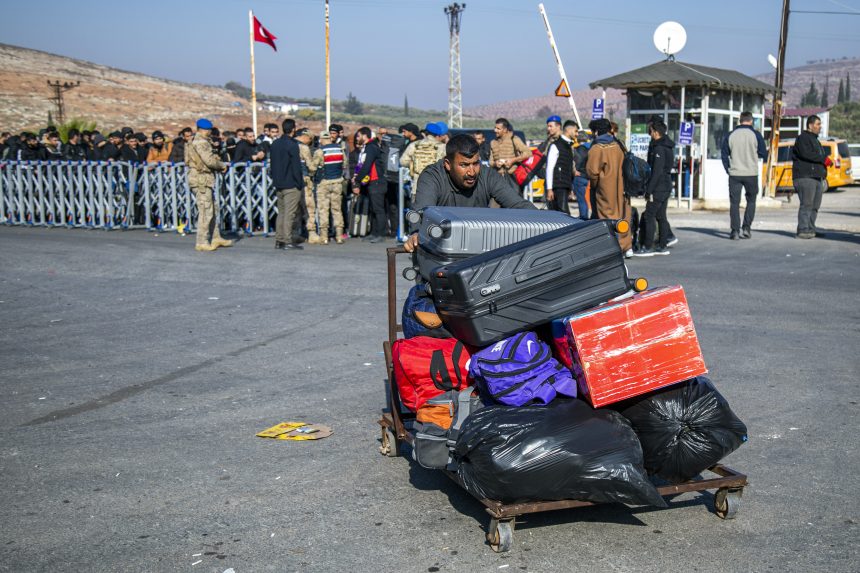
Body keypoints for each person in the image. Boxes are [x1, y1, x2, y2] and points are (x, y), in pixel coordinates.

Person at [404, 134, 537, 253]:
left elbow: (518, 204)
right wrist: (415, 233)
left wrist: (546, 220)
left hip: (478, 249)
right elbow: (423, 211)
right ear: (448, 164)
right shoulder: (432, 176)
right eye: (464, 165)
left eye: (475, 164)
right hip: (440, 248)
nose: (472, 172)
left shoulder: (488, 175)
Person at [585, 118, 633, 256]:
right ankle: (626, 246)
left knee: (607, 218)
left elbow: (592, 171)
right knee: (623, 216)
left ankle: (612, 248)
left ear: (595, 131)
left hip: (605, 189)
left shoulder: (597, 148)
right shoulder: (619, 145)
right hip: (623, 187)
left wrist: (594, 185)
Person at [184, 119, 232, 251]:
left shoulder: (195, 140)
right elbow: (209, 161)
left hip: (202, 178)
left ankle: (216, 237)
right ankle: (202, 241)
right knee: (206, 211)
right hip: (201, 179)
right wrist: (222, 165)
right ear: (205, 130)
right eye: (209, 130)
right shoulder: (201, 142)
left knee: (212, 209)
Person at [721, 111, 768, 240]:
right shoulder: (756, 135)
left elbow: (724, 154)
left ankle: (735, 231)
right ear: (751, 121)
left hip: (735, 174)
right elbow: (764, 153)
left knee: (734, 203)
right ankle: (746, 228)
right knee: (751, 201)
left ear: (740, 120)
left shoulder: (731, 135)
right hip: (751, 173)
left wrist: (728, 169)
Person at [633, 120, 675, 257]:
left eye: (650, 131)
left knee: (649, 215)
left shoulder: (659, 149)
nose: (649, 134)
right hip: (666, 185)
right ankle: (662, 245)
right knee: (661, 215)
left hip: (659, 187)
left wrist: (649, 190)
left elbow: (656, 172)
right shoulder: (668, 146)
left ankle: (647, 246)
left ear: (656, 133)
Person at [792, 115, 828, 239]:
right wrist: (824, 159)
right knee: (806, 204)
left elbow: (818, 157)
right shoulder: (802, 138)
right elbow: (806, 154)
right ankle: (802, 229)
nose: (820, 127)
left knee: (815, 206)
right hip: (805, 177)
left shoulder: (816, 140)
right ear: (810, 125)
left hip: (817, 178)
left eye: (820, 124)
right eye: (818, 124)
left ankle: (811, 228)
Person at [270, 118, 305, 250]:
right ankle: (287, 240)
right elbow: (296, 166)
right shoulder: (292, 145)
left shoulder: (275, 144)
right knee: (290, 214)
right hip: (291, 183)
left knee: (282, 213)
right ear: (293, 129)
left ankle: (279, 240)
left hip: (279, 183)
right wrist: (299, 183)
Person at [352, 126, 387, 243]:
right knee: (373, 209)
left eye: (358, 136)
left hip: (377, 182)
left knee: (378, 209)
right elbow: (361, 164)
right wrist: (356, 177)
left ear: (365, 136)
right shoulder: (366, 147)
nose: (357, 138)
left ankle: (381, 234)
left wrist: (357, 180)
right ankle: (373, 232)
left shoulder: (371, 147)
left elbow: (366, 165)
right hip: (370, 182)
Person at [313, 131, 348, 244]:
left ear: (322, 139)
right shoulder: (340, 149)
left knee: (324, 210)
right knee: (337, 210)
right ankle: (339, 235)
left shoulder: (320, 151)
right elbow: (344, 164)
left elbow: (313, 167)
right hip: (337, 182)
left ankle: (324, 237)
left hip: (324, 183)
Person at [401, 122, 444, 195]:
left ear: (425, 133)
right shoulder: (442, 147)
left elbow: (403, 161)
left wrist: (413, 164)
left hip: (417, 188)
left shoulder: (414, 145)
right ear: (437, 135)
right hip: (436, 188)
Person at [295, 127, 322, 244]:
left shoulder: (289, 145)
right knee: (309, 207)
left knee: (294, 209)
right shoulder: (303, 147)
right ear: (306, 137)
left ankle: (295, 233)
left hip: (291, 181)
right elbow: (311, 167)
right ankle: (312, 233)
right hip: (305, 181)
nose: (310, 142)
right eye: (310, 140)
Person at [488, 117, 531, 186]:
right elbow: (490, 162)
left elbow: (528, 153)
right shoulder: (493, 142)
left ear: (505, 130)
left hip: (512, 178)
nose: (495, 130)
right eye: (495, 128)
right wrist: (495, 164)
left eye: (498, 129)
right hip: (497, 178)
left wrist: (513, 160)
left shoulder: (514, 139)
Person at [544, 116, 573, 214]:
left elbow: (568, 160)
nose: (548, 129)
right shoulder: (549, 140)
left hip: (559, 181)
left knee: (562, 212)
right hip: (551, 180)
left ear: (558, 126)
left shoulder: (563, 142)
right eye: (548, 126)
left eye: (551, 126)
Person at [569, 121, 590, 220]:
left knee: (581, 199)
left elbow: (572, 163)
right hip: (591, 176)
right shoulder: (593, 149)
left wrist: (574, 172)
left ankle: (584, 217)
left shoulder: (575, 150)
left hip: (579, 176)